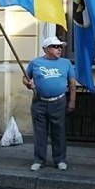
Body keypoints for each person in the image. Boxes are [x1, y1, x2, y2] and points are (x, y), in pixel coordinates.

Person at [22, 36, 76, 172]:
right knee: (40, 132)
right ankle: (39, 160)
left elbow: (72, 83)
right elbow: (25, 77)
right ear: (46, 49)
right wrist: (28, 83)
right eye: (55, 46)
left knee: (59, 132)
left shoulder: (66, 63)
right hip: (39, 102)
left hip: (58, 101)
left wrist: (72, 101)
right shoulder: (35, 63)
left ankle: (60, 160)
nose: (59, 49)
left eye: (60, 47)